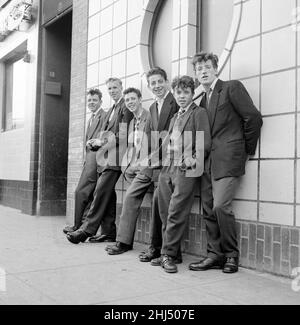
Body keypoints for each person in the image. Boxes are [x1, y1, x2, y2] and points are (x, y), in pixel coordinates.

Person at [189, 52, 263, 273]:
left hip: (228, 158)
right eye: (199, 69)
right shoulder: (200, 101)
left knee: (221, 206)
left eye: (207, 67)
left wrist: (245, 150)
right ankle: (214, 254)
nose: (203, 71)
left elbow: (253, 118)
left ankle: (231, 255)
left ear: (216, 69)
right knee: (208, 209)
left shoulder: (231, 87)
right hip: (206, 163)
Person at [104, 67, 179, 257]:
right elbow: (147, 136)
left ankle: (157, 248)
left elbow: (174, 135)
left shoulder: (175, 103)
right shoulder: (154, 106)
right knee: (130, 195)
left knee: (157, 201)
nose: (156, 86)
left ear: (166, 82)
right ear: (149, 86)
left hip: (168, 163)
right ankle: (123, 242)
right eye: (152, 83)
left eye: (159, 82)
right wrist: (143, 159)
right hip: (150, 163)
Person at [151, 75, 211, 273]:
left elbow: (205, 143)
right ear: (174, 93)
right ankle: (173, 253)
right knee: (164, 211)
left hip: (185, 169)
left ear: (192, 94)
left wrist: (193, 158)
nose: (182, 96)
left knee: (176, 212)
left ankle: (167, 254)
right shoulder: (175, 116)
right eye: (179, 92)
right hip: (168, 167)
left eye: (186, 92)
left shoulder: (199, 113)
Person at [66, 78, 133, 244]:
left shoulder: (125, 107)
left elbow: (122, 136)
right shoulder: (112, 109)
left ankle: (86, 230)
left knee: (100, 191)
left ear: (121, 87)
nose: (112, 91)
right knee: (108, 194)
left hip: (115, 159)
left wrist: (101, 142)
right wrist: (95, 142)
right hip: (105, 158)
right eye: (110, 88)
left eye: (115, 87)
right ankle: (109, 232)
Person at [106, 87, 152, 254]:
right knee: (132, 200)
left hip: (148, 168)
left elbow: (152, 145)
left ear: (140, 99)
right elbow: (131, 147)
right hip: (133, 169)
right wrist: (126, 168)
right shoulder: (132, 122)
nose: (130, 102)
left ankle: (124, 243)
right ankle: (128, 241)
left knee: (130, 199)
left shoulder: (150, 116)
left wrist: (140, 165)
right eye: (127, 100)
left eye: (133, 99)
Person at [63, 88, 106, 234]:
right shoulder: (91, 118)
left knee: (81, 191)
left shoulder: (104, 116)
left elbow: (102, 139)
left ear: (101, 101)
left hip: (97, 161)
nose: (91, 103)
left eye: (94, 100)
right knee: (88, 195)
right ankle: (80, 226)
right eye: (89, 100)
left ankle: (78, 226)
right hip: (89, 161)